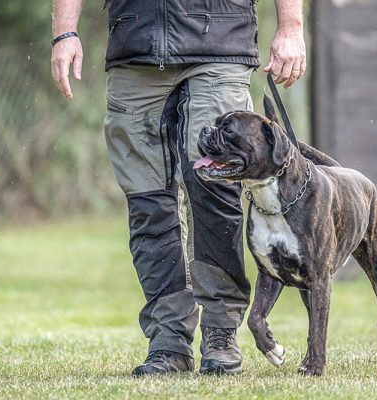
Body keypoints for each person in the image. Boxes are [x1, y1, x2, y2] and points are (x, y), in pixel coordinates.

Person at [51, 0, 306, 376]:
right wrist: (65, 32)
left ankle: (220, 334)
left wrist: (291, 26)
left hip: (219, 38)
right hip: (135, 42)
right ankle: (168, 341)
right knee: (148, 204)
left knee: (215, 193)